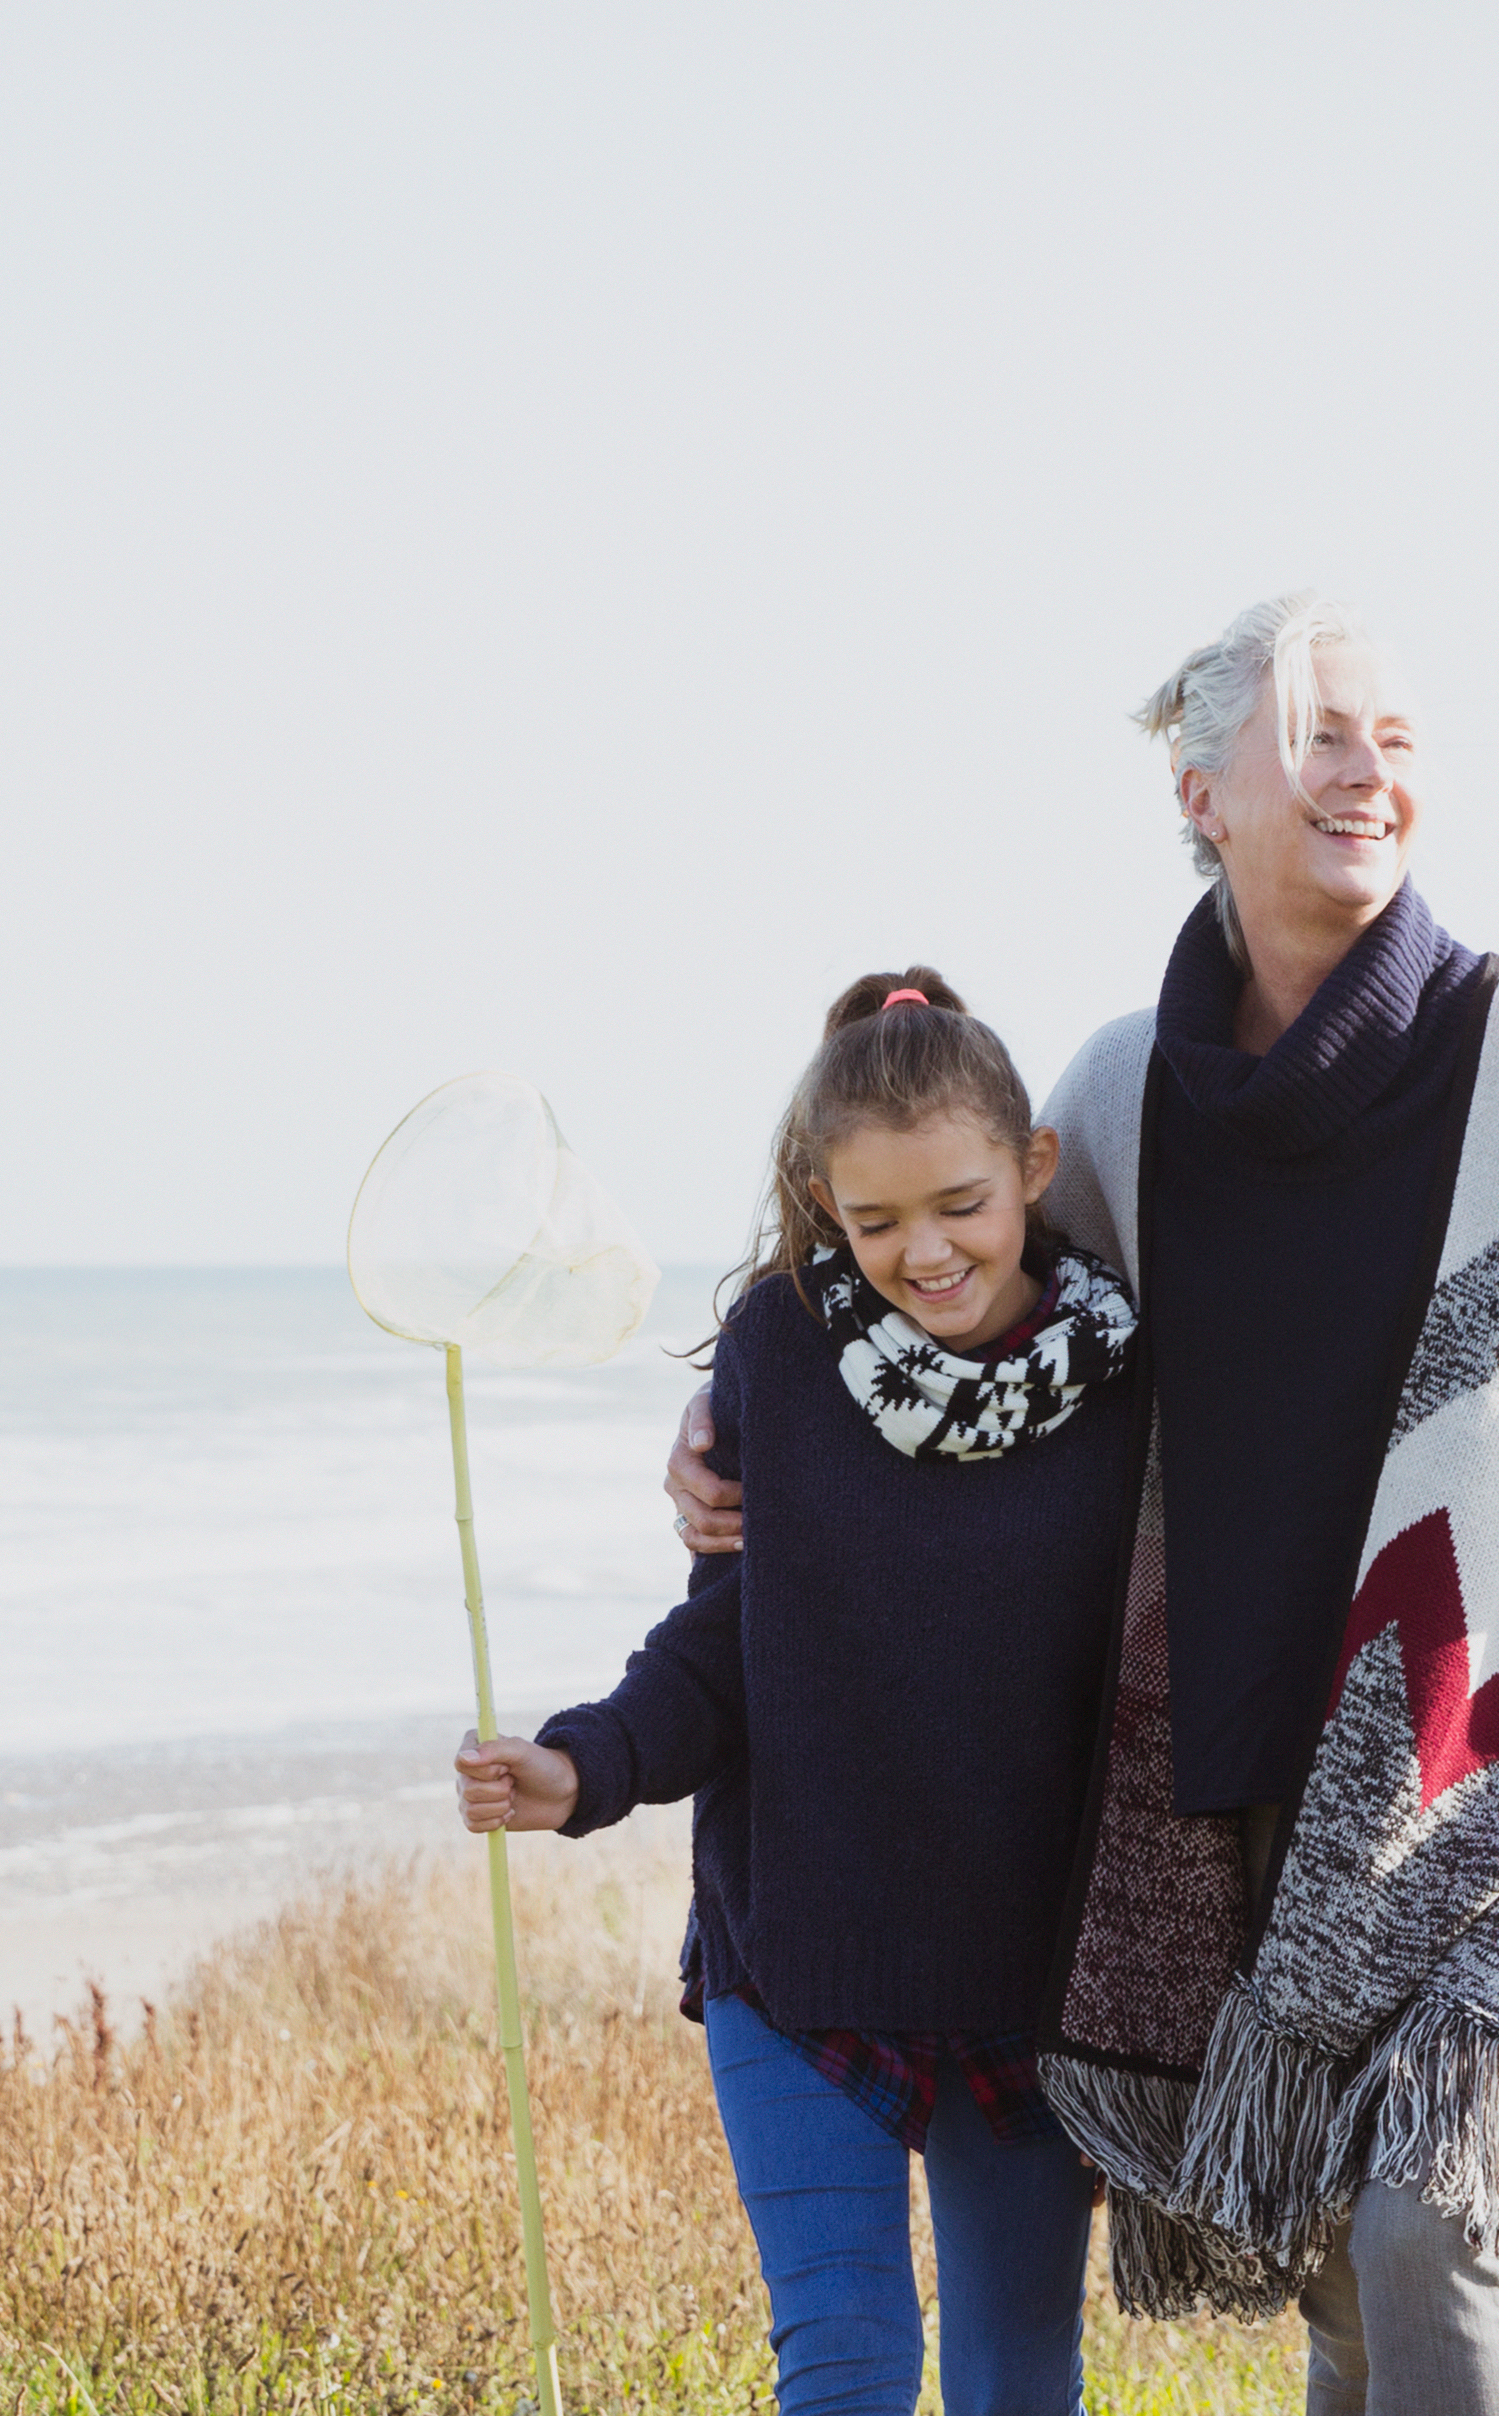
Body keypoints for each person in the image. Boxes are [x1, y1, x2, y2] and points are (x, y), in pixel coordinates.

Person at [671, 594, 1499, 2416]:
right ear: (1200, 789)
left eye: (1398, 741)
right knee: (1341, 2270)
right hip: (1252, 1793)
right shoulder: (1115, 1095)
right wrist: (727, 1404)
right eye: (1323, 733)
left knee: (1427, 2210)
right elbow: (956, 1318)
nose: (1366, 772)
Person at [459, 969, 1145, 2416]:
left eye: (961, 1202)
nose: (925, 1251)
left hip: (1027, 1979)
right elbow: (731, 1638)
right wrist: (586, 1766)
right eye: (875, 1219)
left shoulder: (1130, 1386)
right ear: (825, 1199)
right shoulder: (783, 1347)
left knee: (1018, 2387)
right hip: (798, 1947)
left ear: (1035, 1169)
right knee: (844, 2371)